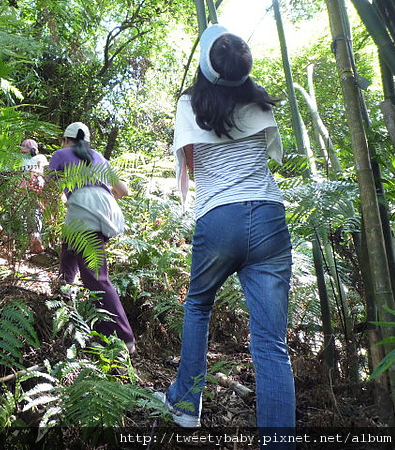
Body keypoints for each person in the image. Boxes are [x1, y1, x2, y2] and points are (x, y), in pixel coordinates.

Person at [157, 24, 295, 442]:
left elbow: (195, 168)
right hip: (270, 218)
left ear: (206, 65)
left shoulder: (189, 104)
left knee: (198, 305)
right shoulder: (259, 101)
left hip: (219, 217)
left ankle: (185, 404)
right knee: (272, 342)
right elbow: (271, 158)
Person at [48, 122, 135, 354]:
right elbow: (123, 191)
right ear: (87, 142)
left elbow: (49, 187)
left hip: (84, 210)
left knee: (96, 277)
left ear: (65, 139)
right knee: (69, 253)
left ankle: (123, 338)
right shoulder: (98, 157)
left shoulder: (60, 154)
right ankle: (63, 300)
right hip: (106, 210)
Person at [19, 138, 48, 254]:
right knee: (27, 215)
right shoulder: (20, 161)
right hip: (24, 191)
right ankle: (29, 241)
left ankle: (33, 239)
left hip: (33, 191)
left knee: (33, 214)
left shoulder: (39, 158)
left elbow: (44, 172)